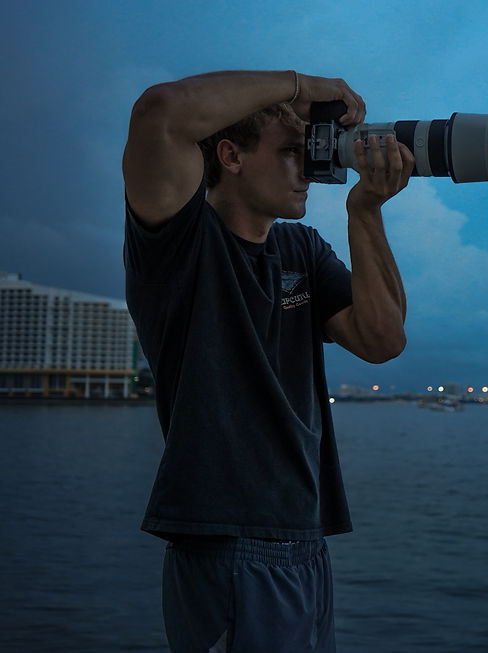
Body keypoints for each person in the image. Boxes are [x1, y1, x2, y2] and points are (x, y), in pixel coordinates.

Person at [122, 70, 411, 652]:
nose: (309, 168)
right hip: (228, 540)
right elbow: (160, 111)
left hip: (304, 537)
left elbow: (382, 340)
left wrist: (367, 211)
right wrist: (298, 88)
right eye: (289, 152)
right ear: (229, 155)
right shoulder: (181, 242)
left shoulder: (299, 248)